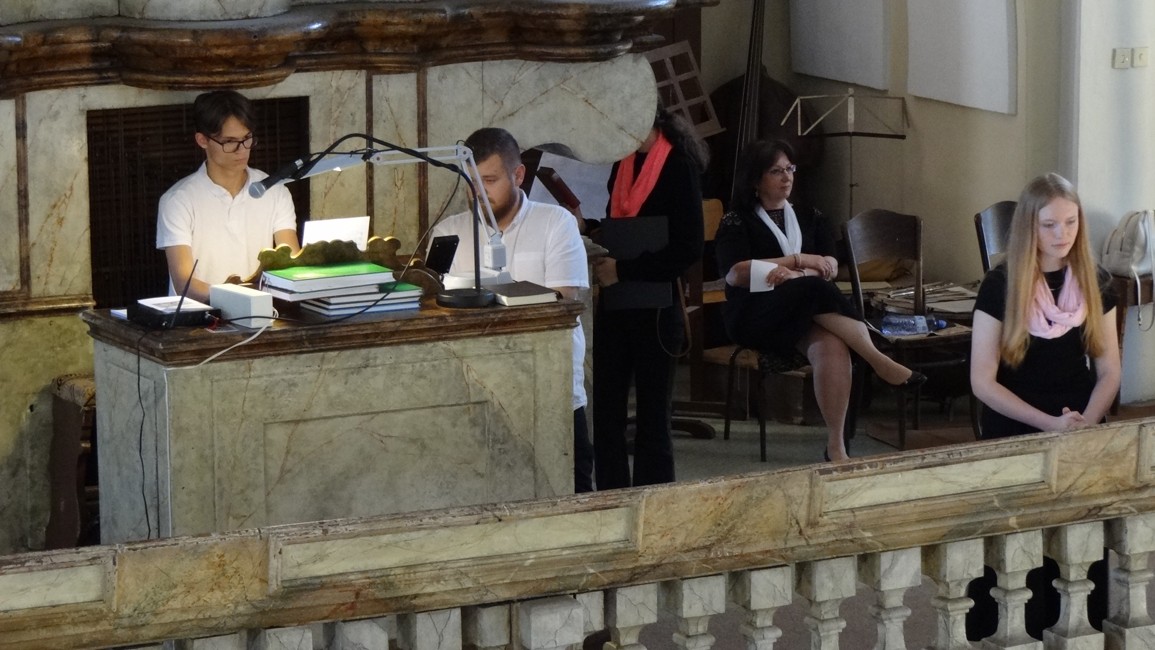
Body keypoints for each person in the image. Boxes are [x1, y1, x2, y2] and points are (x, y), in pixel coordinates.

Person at [965, 172, 1119, 640]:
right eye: (1049, 225)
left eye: (1071, 222)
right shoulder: (1000, 284)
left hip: (1078, 420)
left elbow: (1109, 371)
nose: (1062, 234)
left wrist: (1084, 425)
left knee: (1077, 540)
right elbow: (982, 382)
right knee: (1017, 545)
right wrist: (1048, 425)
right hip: (1016, 420)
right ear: (1029, 226)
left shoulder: (1096, 280)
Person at [713, 139, 925, 463]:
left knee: (832, 345)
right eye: (776, 171)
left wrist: (796, 274)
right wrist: (798, 261)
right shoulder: (737, 220)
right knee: (811, 287)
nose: (787, 177)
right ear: (755, 179)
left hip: (804, 310)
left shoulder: (810, 214)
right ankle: (876, 357)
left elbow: (830, 264)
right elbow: (735, 273)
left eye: (790, 169)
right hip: (754, 314)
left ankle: (835, 447)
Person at [430, 127, 594, 493]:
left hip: (549, 390)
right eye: (471, 183)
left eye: (489, 181)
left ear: (518, 175)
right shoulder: (448, 232)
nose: (479, 193)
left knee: (569, 494)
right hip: (476, 394)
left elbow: (565, 304)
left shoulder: (556, 224)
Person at [588, 106, 707, 490]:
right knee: (606, 413)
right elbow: (623, 227)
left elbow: (688, 247)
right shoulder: (621, 163)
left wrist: (624, 270)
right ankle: (610, 499)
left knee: (653, 418)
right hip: (616, 303)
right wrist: (590, 230)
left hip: (656, 306)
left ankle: (654, 504)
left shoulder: (678, 165)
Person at [156, 90, 300, 303]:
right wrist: (242, 298)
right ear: (202, 140)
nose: (241, 150)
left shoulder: (274, 190)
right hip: (200, 315)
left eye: (247, 139)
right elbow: (185, 284)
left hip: (262, 312)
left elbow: (291, 265)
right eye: (229, 141)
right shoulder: (178, 200)